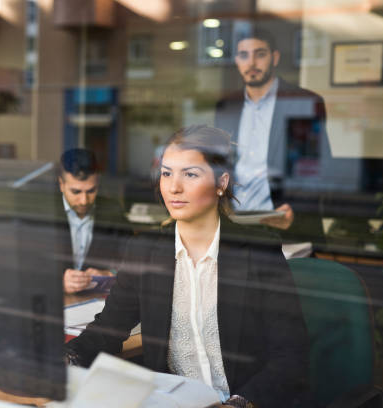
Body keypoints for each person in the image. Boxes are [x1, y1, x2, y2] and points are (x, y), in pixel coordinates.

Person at [65, 126, 310, 408]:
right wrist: (64, 359)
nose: (173, 187)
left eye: (190, 174)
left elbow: (291, 358)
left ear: (221, 183)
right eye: (167, 173)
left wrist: (238, 404)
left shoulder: (257, 252)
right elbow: (106, 331)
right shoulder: (146, 251)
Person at [215, 27, 330, 242]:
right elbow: (219, 165)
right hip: (236, 228)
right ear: (237, 61)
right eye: (243, 55)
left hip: (286, 226)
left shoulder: (303, 102)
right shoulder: (226, 106)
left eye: (260, 54)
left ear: (274, 58)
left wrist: (294, 212)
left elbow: (313, 167)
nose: (251, 63)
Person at [58, 148, 125, 293]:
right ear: (61, 184)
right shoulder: (45, 210)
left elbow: (132, 260)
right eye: (76, 192)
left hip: (97, 300)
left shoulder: (112, 210)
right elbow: (25, 265)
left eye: (91, 191)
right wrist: (57, 282)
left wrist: (110, 274)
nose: (84, 201)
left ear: (98, 183)